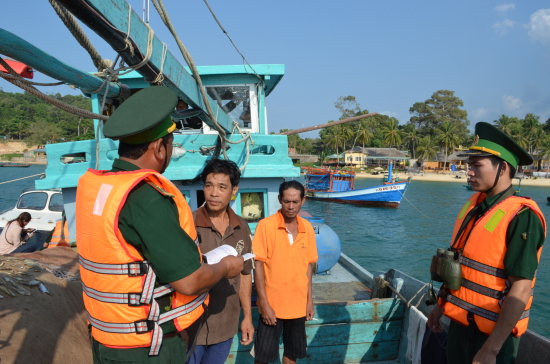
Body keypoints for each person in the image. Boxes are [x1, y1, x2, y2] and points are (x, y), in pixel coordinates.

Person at [76, 86, 244, 364]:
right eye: (170, 143)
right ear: (158, 148)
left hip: (107, 339)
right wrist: (227, 266)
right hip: (145, 350)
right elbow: (190, 281)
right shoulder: (146, 198)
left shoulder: (95, 187)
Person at [426, 122, 546, 364]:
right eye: (468, 166)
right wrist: (440, 306)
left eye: (476, 166)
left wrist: (491, 350)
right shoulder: (476, 206)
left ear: (502, 168)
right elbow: (461, 264)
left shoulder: (522, 217)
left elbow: (520, 289)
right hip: (461, 325)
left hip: (492, 337)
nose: (469, 172)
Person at [186, 159, 254, 364]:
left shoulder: (241, 227)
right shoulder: (188, 224)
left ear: (234, 190)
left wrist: (248, 317)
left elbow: (245, 275)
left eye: (222, 187)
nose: (214, 193)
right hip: (191, 326)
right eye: (209, 185)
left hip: (226, 325)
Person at [252, 180, 318, 364]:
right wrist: (263, 302)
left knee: (292, 353)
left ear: (302, 201)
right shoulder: (265, 226)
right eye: (286, 201)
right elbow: (257, 265)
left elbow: (308, 267)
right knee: (263, 357)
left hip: (298, 305)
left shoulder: (307, 229)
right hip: (272, 304)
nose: (290, 206)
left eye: (295, 201)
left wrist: (309, 301)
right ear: (280, 199)